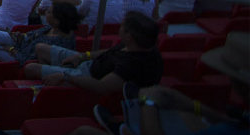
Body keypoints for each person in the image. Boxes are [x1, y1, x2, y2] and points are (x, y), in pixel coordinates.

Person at [0, 33, 249, 135]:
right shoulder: (237, 126)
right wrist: (191, 105)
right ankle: (124, 128)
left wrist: (149, 104)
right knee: (184, 115)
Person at [22, 12, 163, 91]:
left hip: (86, 76)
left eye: (122, 27)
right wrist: (83, 56)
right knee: (40, 48)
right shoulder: (134, 44)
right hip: (87, 62)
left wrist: (65, 77)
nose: (119, 28)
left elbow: (101, 87)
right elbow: (108, 51)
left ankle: (52, 91)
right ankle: (51, 80)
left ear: (129, 36)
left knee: (30, 68)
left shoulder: (133, 65)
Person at [0, 2, 81, 65]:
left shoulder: (59, 42)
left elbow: (27, 61)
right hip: (20, 44)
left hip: (18, 57)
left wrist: (10, 49)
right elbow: (30, 36)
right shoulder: (50, 28)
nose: (45, 13)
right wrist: (20, 35)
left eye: (48, 12)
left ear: (57, 20)